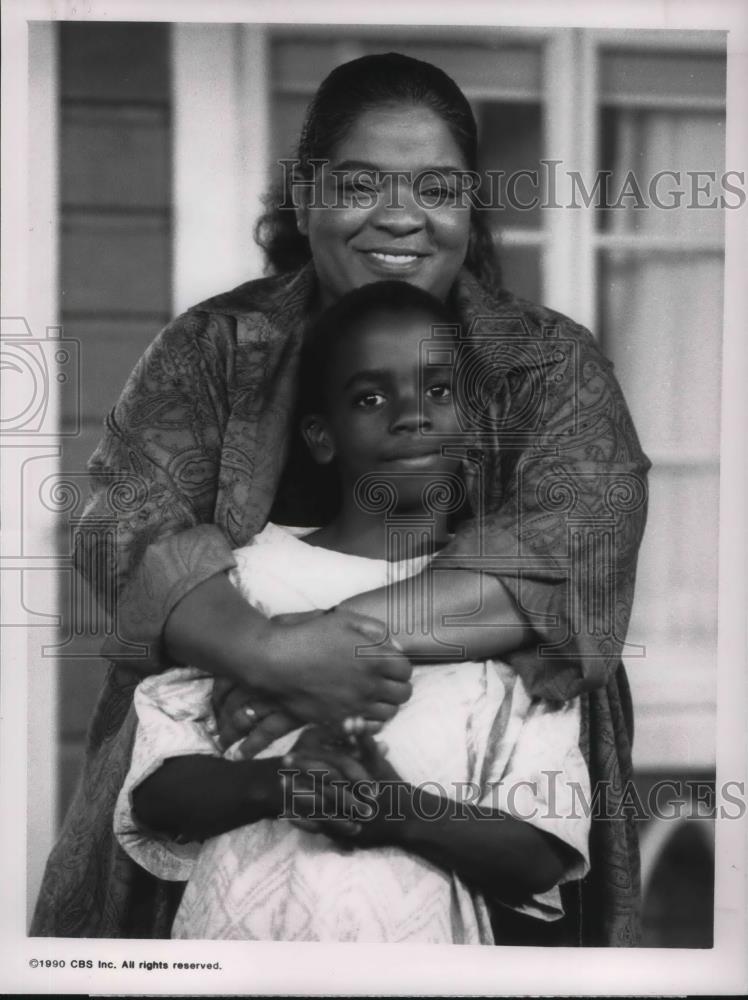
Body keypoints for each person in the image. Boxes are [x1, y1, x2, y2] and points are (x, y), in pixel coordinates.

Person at [31, 51, 649, 945]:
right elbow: (123, 527)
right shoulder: (214, 346)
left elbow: (571, 549)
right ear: (306, 197)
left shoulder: (548, 364)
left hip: (482, 841)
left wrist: (302, 657)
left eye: (436, 186)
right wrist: (269, 651)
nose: (400, 215)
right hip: (222, 854)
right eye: (360, 184)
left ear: (470, 207)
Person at [113, 281, 591, 943]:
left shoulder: (524, 612)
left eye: (439, 391)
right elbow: (156, 795)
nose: (411, 414)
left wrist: (399, 813)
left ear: (473, 421)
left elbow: (541, 856)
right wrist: (278, 785)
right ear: (320, 435)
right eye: (370, 397)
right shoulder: (243, 583)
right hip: (240, 957)